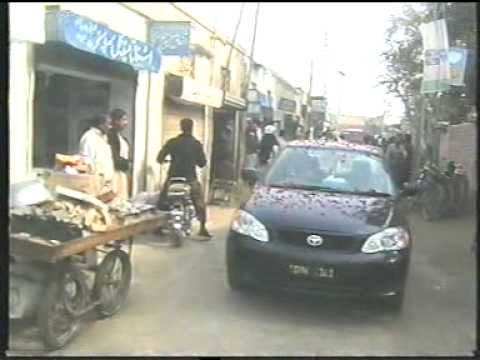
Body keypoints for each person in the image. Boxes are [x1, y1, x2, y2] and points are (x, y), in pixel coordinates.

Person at [156, 118, 212, 239]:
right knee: (200, 202)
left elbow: (159, 158)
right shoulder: (196, 144)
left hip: (173, 179)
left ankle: (158, 226)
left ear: (181, 127)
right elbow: (202, 163)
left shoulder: (172, 142)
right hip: (190, 179)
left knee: (162, 202)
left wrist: (167, 160)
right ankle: (202, 228)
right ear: (192, 128)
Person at [79, 114, 115, 189]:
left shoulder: (103, 137)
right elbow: (87, 160)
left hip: (105, 182)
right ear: (101, 125)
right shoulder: (90, 137)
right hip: (94, 182)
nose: (110, 127)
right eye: (108, 124)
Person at [107, 108, 131, 202]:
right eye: (123, 120)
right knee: (115, 199)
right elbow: (113, 155)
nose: (126, 123)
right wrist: (125, 163)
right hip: (114, 172)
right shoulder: (111, 136)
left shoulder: (121, 137)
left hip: (121, 173)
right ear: (116, 121)